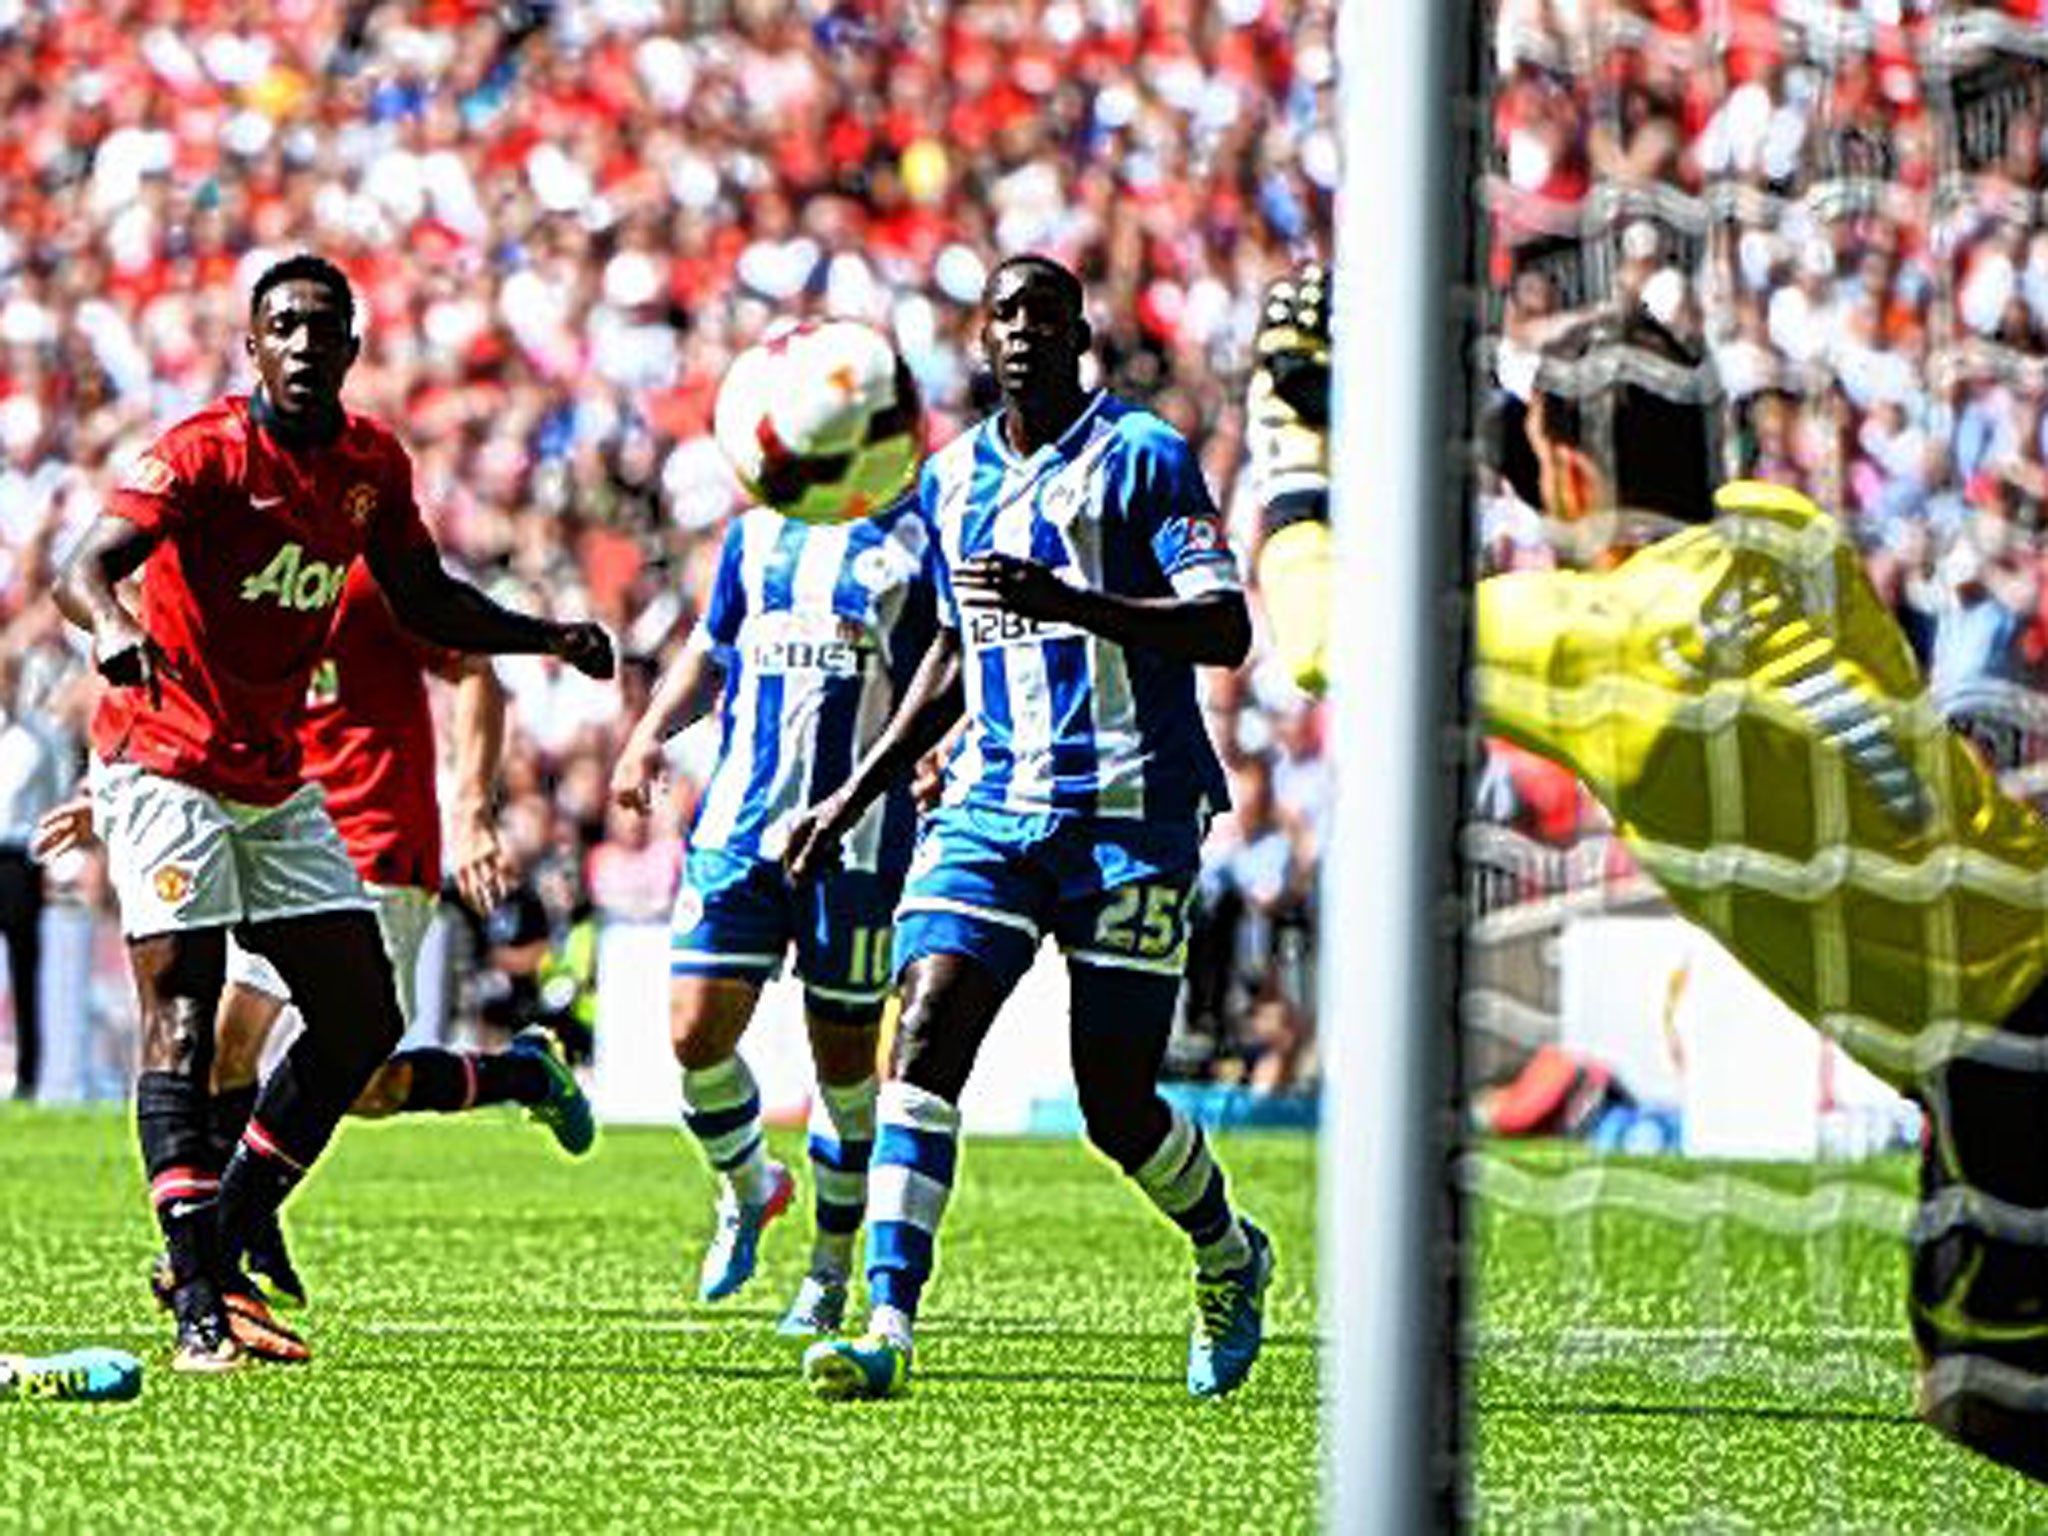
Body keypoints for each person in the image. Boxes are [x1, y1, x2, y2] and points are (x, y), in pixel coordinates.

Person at [1468, 305, 2048, 1482]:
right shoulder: (1789, 535)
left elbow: (1326, 635)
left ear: (1568, 467)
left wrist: (1298, 459)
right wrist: (1532, 444)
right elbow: (1646, 492)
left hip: (2002, 1048)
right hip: (2016, 963)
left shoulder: (1610, 641)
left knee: (1983, 1397)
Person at [51, 253, 614, 1373]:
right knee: (188, 1021)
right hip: (164, 764)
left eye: (324, 329)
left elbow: (425, 599)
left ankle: (215, 1235)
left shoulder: (369, 466)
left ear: (351, 351)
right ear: (251, 347)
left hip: (273, 781)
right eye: (283, 328)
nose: (305, 345)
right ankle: (202, 1308)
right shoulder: (205, 452)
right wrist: (111, 628)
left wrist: (543, 636)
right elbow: (84, 566)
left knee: (362, 1022)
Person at [783, 253, 1272, 1401]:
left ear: (1078, 335)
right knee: (925, 1035)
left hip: (1130, 814)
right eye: (1003, 315)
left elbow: (1222, 628)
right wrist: (852, 795)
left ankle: (1226, 1250)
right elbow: (953, 654)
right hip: (991, 807)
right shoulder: (949, 480)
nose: (1021, 333)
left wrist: (1072, 604)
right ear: (979, 335)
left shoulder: (1142, 457)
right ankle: (887, 1325)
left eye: (1043, 316)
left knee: (1115, 1100)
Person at [36, 559, 597, 1311]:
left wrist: (469, 808)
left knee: (364, 1084)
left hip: (375, 843)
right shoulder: (225, 599)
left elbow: (472, 669)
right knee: (223, 1046)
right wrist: (101, 799)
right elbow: (178, 719)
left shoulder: (356, 574)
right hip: (265, 830)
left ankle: (521, 1075)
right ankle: (235, 1252)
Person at [610, 491, 937, 1335]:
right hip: (738, 829)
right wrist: (650, 731)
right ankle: (752, 1186)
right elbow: (713, 650)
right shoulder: (754, 535)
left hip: (856, 843)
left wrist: (948, 751)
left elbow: (956, 661)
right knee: (693, 1036)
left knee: (843, 1067)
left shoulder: (917, 534)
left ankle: (829, 1271)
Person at [0, 647, 72, 1100]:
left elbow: (56, 802)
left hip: (18, 860)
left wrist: (48, 864)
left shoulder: (41, 738)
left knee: (26, 970)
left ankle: (28, 1077)